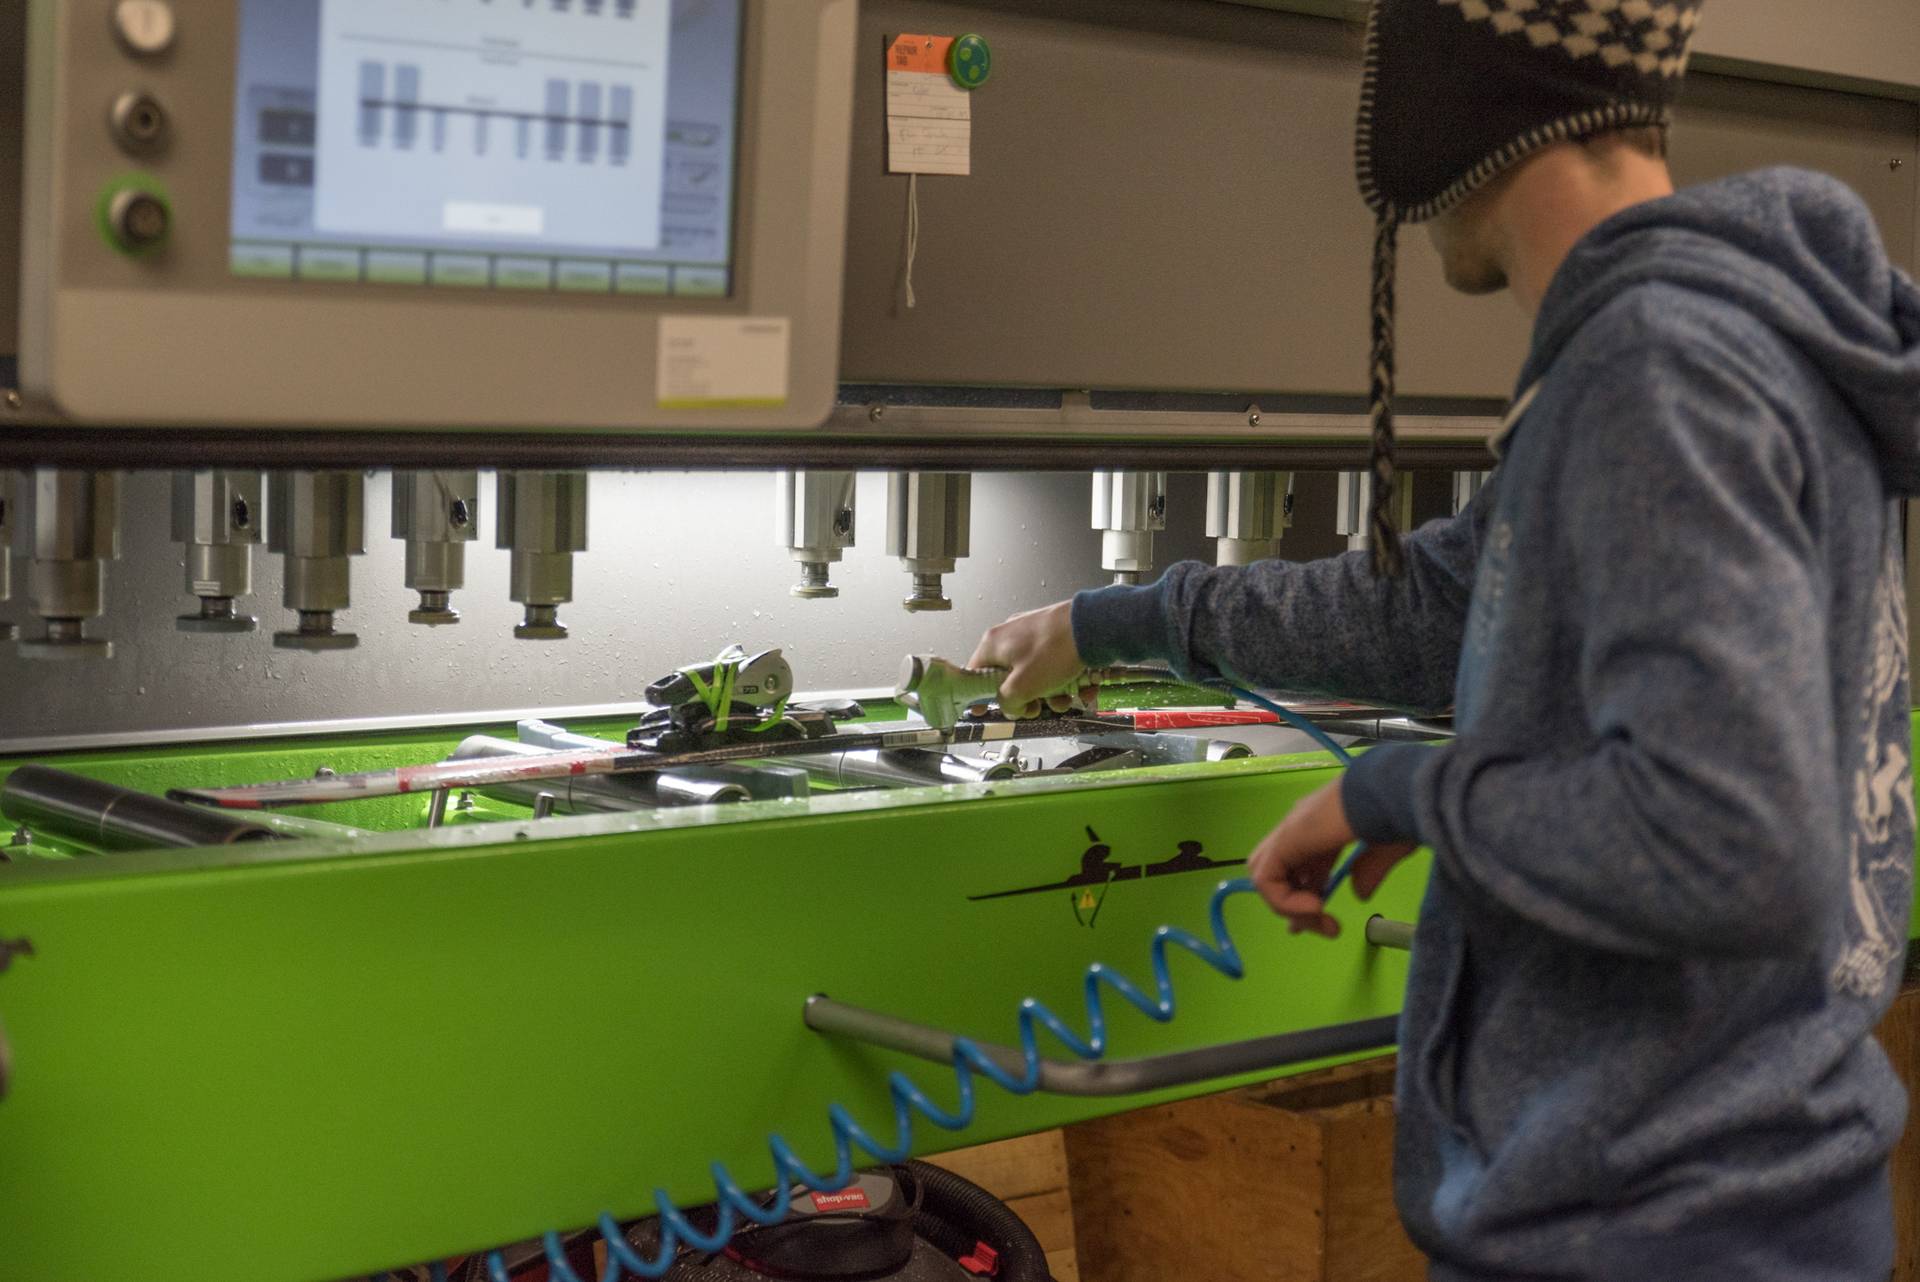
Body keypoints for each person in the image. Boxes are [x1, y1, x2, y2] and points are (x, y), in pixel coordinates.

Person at [968, 1, 1920, 1277]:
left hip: (1656, 1217)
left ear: (1446, 103)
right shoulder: (1715, 338)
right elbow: (1431, 610)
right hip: (1715, 1186)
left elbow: (1730, 838)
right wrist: (1114, 621)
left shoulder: (1660, 367)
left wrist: (1399, 788)